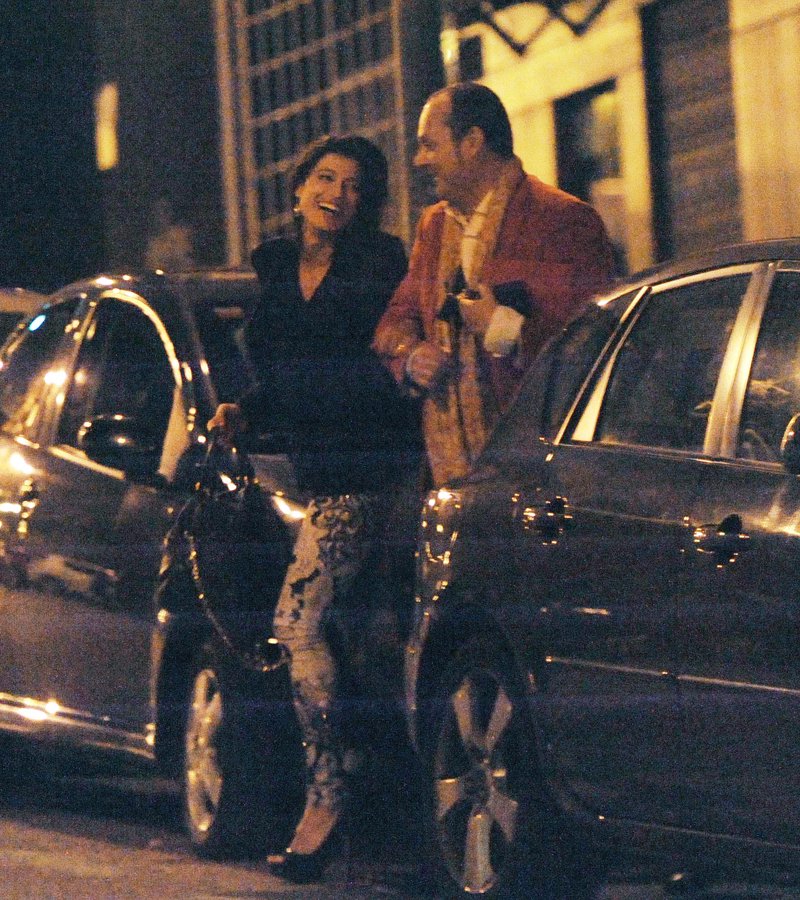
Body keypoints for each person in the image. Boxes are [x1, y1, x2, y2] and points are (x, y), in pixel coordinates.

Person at [207, 135, 418, 881]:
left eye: (355, 186)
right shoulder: (275, 271)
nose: (338, 194)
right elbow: (286, 376)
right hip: (313, 477)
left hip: (370, 472)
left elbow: (380, 364)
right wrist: (243, 409)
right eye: (325, 178)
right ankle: (367, 796)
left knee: (297, 621)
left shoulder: (380, 265)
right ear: (298, 189)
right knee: (341, 640)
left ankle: (327, 799)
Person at [373, 82, 615, 486]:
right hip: (450, 480)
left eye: (430, 146)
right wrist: (412, 357)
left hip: (539, 477)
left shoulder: (562, 220)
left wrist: (501, 328)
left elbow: (592, 349)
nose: (419, 160)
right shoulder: (434, 226)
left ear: (471, 143)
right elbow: (397, 320)